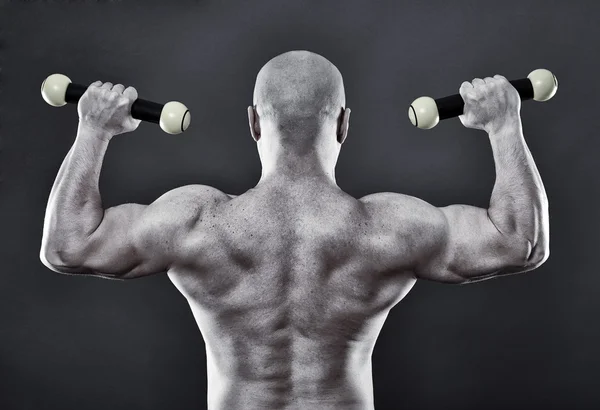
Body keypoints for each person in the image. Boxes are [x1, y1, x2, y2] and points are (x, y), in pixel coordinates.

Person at [40, 50, 549, 409]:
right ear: (345, 123)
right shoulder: (389, 229)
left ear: (254, 123)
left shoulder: (197, 222)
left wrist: (94, 129)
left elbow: (67, 246)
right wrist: (504, 125)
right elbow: (519, 243)